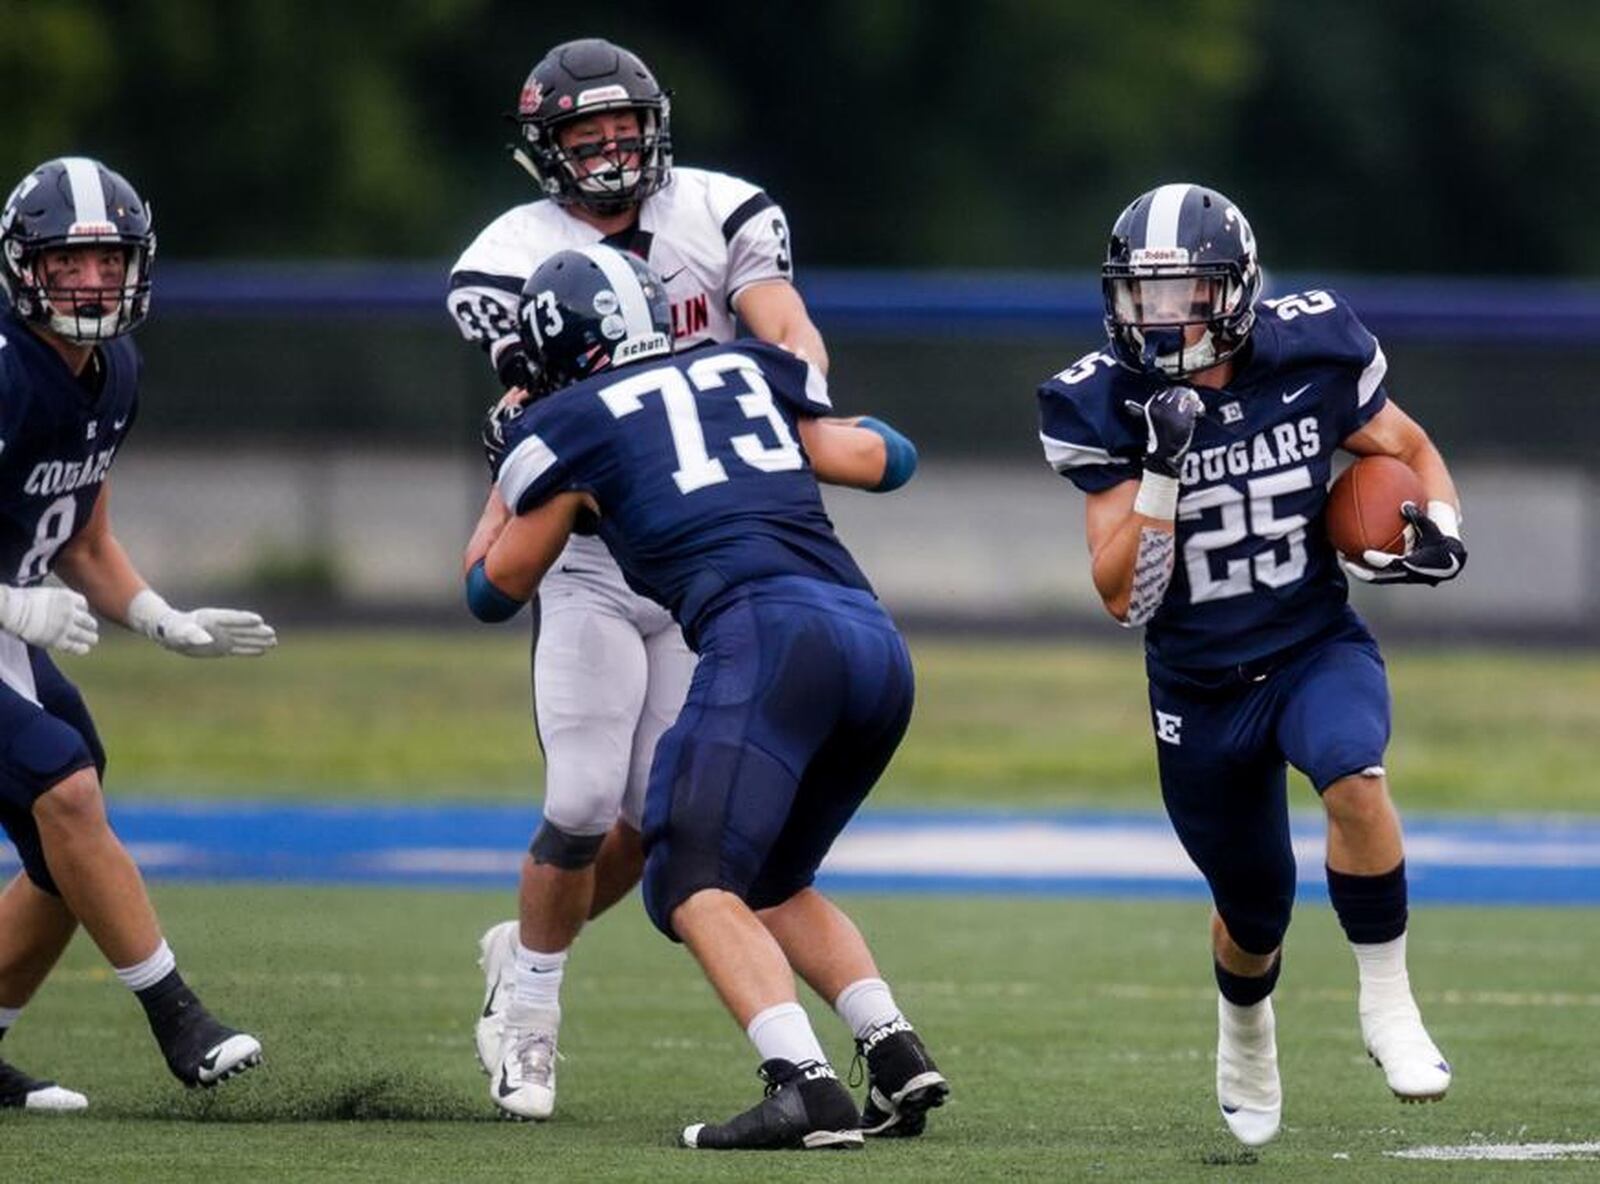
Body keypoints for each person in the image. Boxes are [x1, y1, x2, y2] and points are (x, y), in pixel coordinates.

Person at [463, 245, 947, 1148]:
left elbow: (493, 591)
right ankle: (890, 1049)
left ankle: (801, 1080)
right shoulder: (744, 368)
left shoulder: (569, 421)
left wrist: (508, 484)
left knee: (688, 869)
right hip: (874, 645)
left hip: (764, 641)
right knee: (771, 875)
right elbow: (892, 461)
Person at [445, 37, 833, 1123]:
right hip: (588, 555)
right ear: (546, 149)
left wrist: (796, 408)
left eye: (626, 127)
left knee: (658, 818)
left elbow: (784, 325)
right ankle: (529, 1009)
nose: (612, 149)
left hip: (697, 560)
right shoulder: (508, 254)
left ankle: (522, 949)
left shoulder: (722, 211)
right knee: (577, 801)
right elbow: (530, 419)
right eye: (586, 133)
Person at [1036, 183, 1464, 1147]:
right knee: (1253, 910)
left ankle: (1389, 1004)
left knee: (1355, 774)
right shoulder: (1101, 400)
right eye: (1142, 294)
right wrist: (1160, 471)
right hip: (1197, 687)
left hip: (1313, 644)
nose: (1162, 314)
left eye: (1186, 291)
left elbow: (1408, 447)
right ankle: (1245, 1028)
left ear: (1236, 291)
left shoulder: (1312, 351)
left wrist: (1436, 528)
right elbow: (1124, 599)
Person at [0, 157, 277, 1111]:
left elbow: (81, 534)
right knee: (65, 790)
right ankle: (179, 1018)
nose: (89, 282)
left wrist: (160, 616)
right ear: (21, 266)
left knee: (65, 839)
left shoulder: (115, 368)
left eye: (107, 261)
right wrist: (8, 603)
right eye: (67, 263)